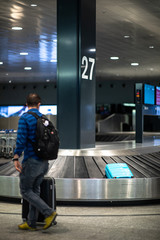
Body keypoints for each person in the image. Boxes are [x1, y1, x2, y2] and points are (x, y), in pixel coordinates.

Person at [13, 93, 57, 230]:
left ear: (26, 104)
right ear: (39, 104)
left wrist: (16, 157)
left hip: (31, 161)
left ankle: (48, 212)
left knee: (25, 191)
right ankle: (31, 222)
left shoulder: (25, 118)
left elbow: (21, 140)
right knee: (35, 190)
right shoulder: (44, 119)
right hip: (44, 161)